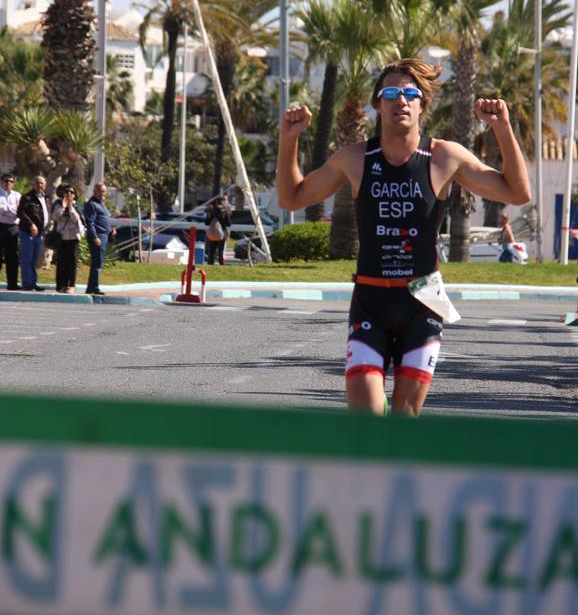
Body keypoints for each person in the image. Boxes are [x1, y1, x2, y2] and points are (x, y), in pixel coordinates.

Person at [276, 58, 531, 417]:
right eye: (391, 93)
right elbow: (292, 198)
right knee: (365, 415)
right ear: (378, 104)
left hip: (422, 302)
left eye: (410, 94)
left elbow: (518, 193)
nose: (401, 101)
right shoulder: (356, 159)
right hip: (370, 299)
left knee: (405, 416)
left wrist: (502, 128)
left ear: (422, 104)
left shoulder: (443, 157)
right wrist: (289, 140)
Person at [16, 175, 51, 291]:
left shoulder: (46, 198)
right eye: (37, 183)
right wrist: (31, 224)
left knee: (34, 260)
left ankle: (33, 282)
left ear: (45, 186)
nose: (40, 185)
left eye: (42, 183)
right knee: (27, 258)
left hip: (39, 234)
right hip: (27, 233)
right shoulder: (27, 197)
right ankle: (27, 284)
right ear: (33, 184)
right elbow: (20, 213)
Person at [83, 183, 116, 295]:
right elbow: (90, 223)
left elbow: (103, 220)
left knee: (98, 262)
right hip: (98, 237)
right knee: (97, 263)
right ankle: (94, 287)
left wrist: (110, 230)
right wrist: (95, 237)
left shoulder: (102, 204)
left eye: (104, 191)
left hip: (105, 236)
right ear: (95, 191)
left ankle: (91, 287)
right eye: (100, 191)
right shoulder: (91, 204)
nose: (102, 193)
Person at [51, 185, 85, 292]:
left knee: (72, 262)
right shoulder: (58, 204)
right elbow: (55, 217)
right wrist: (63, 206)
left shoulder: (76, 206)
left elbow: (76, 219)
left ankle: (72, 285)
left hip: (73, 238)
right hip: (62, 238)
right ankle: (62, 285)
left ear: (75, 195)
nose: (69, 194)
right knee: (61, 263)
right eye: (67, 192)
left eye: (71, 192)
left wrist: (70, 207)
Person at [0, 173, 21, 289]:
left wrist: (5, 209)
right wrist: (11, 209)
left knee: (12, 257)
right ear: (1, 182)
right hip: (0, 226)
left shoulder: (17, 195)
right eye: (6, 181)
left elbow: (19, 211)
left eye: (11, 181)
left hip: (13, 228)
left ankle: (12, 284)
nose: (8, 183)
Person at [204, 196, 230, 265]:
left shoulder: (211, 211)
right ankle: (221, 265)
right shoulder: (224, 211)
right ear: (223, 202)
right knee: (220, 253)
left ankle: (210, 266)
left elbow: (206, 223)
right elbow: (228, 223)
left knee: (211, 253)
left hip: (212, 234)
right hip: (221, 234)